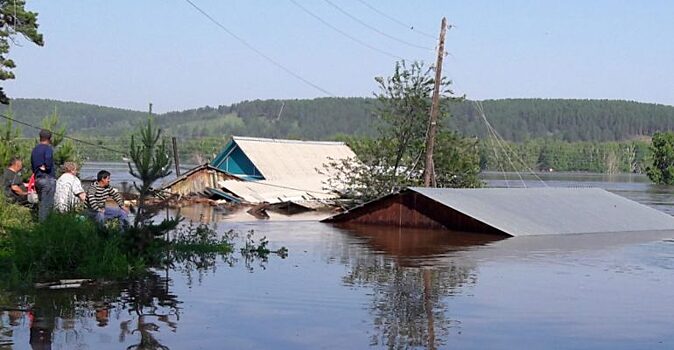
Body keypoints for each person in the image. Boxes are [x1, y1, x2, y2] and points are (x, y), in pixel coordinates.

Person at [31, 129, 56, 221]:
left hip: (38, 179)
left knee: (42, 203)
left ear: (40, 137)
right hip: (47, 179)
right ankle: (45, 227)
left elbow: (33, 165)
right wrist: (47, 167)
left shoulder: (35, 150)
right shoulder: (48, 148)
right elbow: (48, 159)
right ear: (49, 139)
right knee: (47, 205)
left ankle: (40, 223)